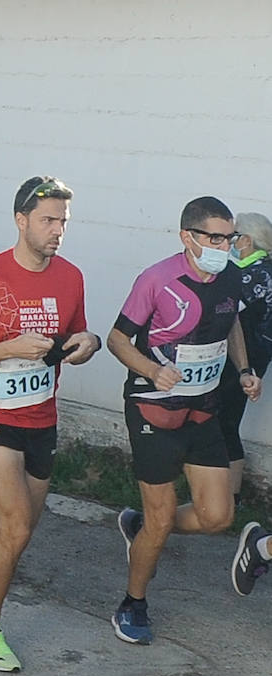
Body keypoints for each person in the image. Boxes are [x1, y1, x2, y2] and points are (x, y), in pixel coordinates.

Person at [0, 176, 99, 671]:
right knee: (15, 529)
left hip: (41, 416)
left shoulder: (70, 277)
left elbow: (75, 338)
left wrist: (85, 345)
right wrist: (7, 347)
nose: (57, 231)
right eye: (48, 220)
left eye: (63, 222)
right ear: (21, 220)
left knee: (21, 527)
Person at [107, 197, 258, 642]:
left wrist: (245, 369)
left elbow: (232, 324)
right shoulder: (157, 279)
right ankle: (133, 603)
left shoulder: (230, 275)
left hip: (202, 408)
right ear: (186, 237)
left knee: (217, 516)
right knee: (161, 517)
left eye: (228, 237)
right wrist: (152, 369)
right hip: (153, 408)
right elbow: (118, 340)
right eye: (214, 237)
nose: (223, 245)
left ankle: (141, 528)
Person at [220, 212, 272, 503]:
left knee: (223, 422)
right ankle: (229, 496)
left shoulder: (253, 274)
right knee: (227, 421)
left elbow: (225, 313)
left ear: (247, 240)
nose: (229, 242)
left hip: (240, 361)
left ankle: (226, 497)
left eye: (233, 237)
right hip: (254, 361)